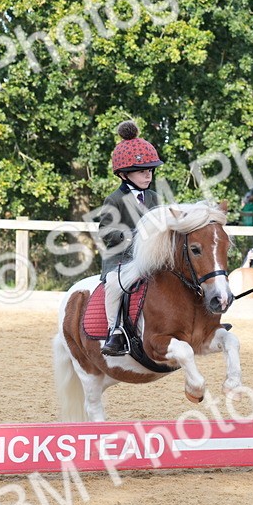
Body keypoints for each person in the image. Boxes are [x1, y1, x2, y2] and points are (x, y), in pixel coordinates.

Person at [98, 120, 163, 356]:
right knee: (115, 286)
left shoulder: (155, 197)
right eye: (143, 171)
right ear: (125, 174)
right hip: (121, 260)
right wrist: (136, 237)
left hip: (152, 259)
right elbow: (107, 233)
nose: (149, 175)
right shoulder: (113, 199)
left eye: (151, 170)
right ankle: (114, 332)